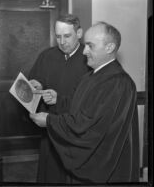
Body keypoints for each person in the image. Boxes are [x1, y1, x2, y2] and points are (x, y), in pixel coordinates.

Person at [30, 21, 140, 183]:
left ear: (109, 48)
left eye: (90, 46)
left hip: (103, 169)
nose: (84, 51)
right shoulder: (92, 76)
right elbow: (80, 108)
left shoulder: (117, 82)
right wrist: (58, 100)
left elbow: (87, 126)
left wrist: (49, 120)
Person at [28, 14, 91, 183]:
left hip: (76, 131)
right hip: (49, 127)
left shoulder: (91, 59)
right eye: (58, 36)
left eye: (67, 36)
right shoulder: (46, 56)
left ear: (79, 33)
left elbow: (91, 102)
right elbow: (36, 80)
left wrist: (60, 99)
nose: (62, 42)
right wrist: (37, 85)